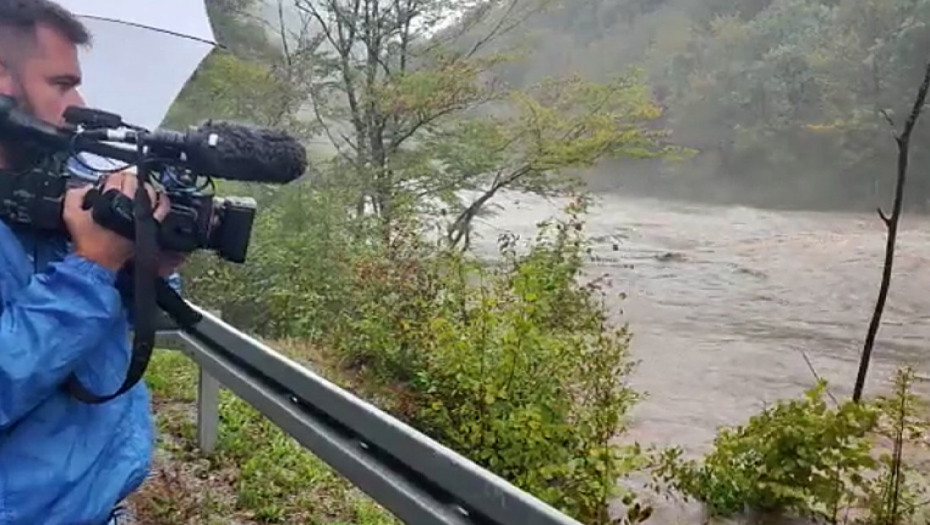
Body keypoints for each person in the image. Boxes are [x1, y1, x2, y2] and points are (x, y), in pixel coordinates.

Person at [0, 2, 185, 524]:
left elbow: (102, 340)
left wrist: (143, 271)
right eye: (62, 84)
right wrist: (91, 267)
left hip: (101, 507)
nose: (79, 103)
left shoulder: (58, 187)